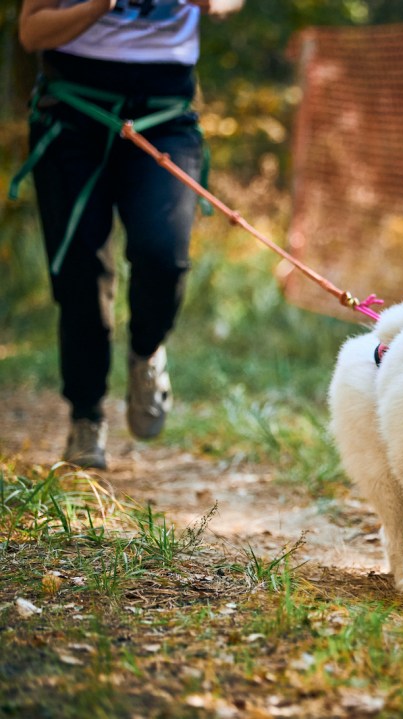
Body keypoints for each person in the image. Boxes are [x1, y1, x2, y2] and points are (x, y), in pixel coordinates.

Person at [16, 0, 243, 469]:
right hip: (71, 111)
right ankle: (85, 416)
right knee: (79, 270)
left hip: (165, 113)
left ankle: (146, 351)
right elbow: (31, 32)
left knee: (163, 252)